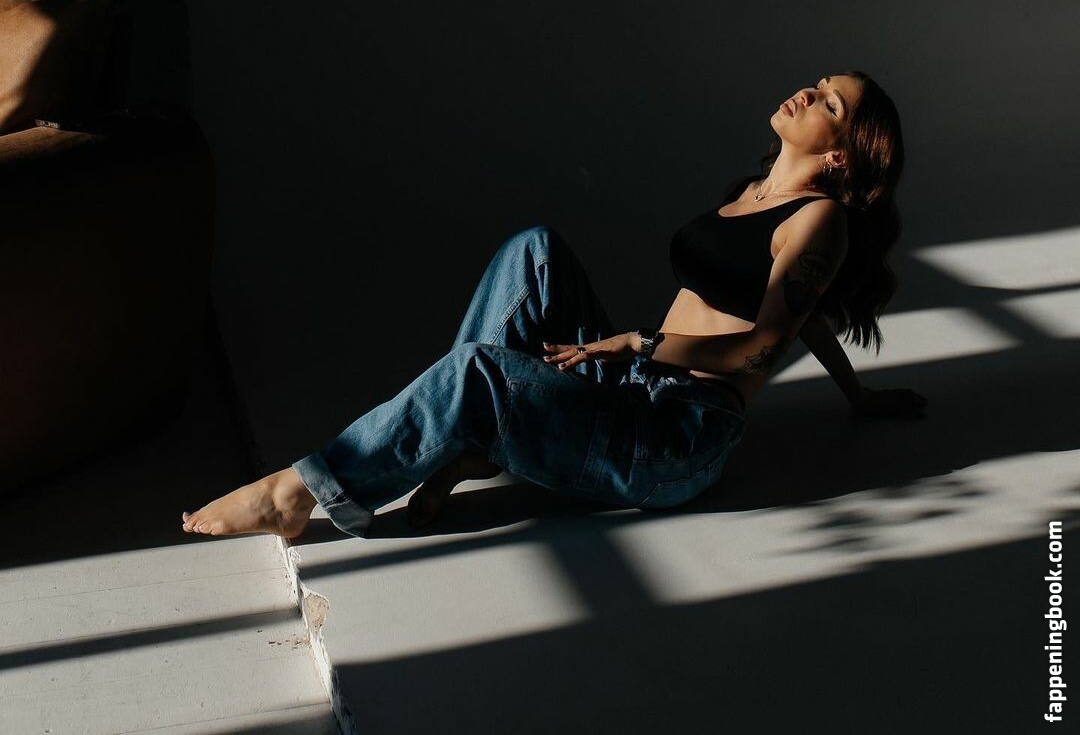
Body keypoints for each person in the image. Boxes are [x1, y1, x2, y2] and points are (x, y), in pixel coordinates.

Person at [181, 69, 926, 540]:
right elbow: (805, 310)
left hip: (678, 435)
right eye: (818, 83)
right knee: (534, 251)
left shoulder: (820, 220)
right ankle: (462, 438)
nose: (807, 92)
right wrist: (858, 397)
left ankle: (298, 492)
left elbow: (762, 347)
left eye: (829, 102)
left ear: (839, 154)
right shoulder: (752, 191)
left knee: (478, 371)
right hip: (638, 387)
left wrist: (635, 343)